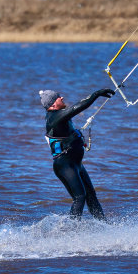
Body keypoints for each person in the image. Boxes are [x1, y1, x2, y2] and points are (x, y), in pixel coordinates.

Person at [39, 88, 115, 220]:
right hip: (64, 165)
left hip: (76, 164)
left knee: (91, 196)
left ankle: (104, 225)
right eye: (58, 97)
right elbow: (77, 107)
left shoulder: (58, 115)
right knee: (79, 197)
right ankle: (72, 230)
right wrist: (96, 94)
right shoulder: (55, 117)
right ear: (52, 104)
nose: (62, 98)